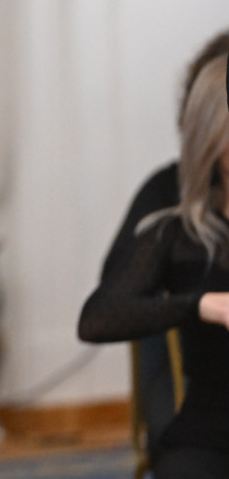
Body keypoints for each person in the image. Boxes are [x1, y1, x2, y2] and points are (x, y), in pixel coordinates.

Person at [78, 52, 229, 478]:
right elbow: (96, 319)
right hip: (211, 437)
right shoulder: (178, 232)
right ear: (214, 140)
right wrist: (201, 305)